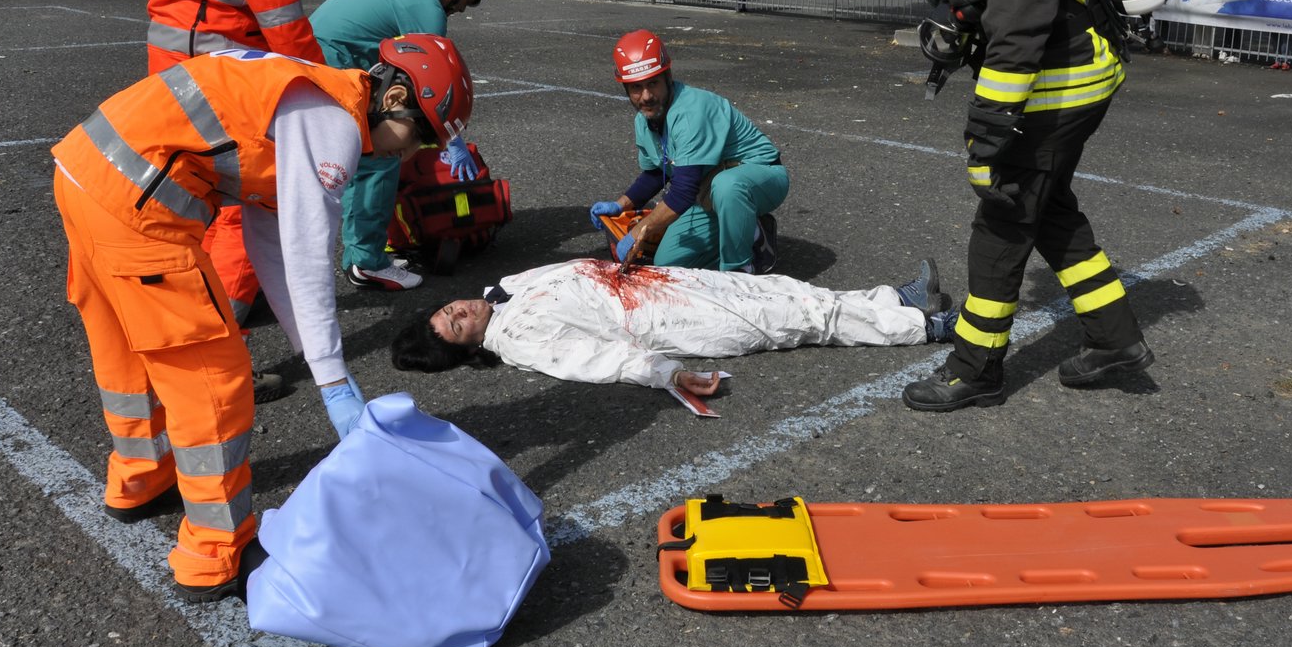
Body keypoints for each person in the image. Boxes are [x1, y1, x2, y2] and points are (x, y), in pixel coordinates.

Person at [52, 35, 476, 603]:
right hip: (137, 210)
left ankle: (140, 475)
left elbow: (270, 239)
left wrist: (318, 359)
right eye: (416, 134)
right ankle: (215, 554)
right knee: (213, 382)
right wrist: (331, 380)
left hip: (86, 174)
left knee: (129, 353)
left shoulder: (310, 94)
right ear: (394, 94)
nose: (406, 155)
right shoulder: (333, 127)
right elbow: (305, 253)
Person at [886, 0, 1152, 412]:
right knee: (1050, 210)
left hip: (1058, 89)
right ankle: (1116, 340)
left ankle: (975, 370)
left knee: (1002, 222)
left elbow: (1014, 43)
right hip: (1078, 77)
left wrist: (987, 141)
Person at [140, 0, 347, 368]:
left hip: (167, 76)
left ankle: (189, 318)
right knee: (256, 200)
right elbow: (291, 40)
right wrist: (340, 96)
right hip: (219, 87)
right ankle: (215, 343)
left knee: (193, 206)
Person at [389, 259, 958, 400]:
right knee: (795, 320)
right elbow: (593, 358)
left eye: (449, 310)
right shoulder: (518, 338)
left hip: (663, 282)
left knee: (785, 290)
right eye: (456, 326)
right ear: (467, 349)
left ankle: (893, 300)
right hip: (670, 319)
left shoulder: (504, 288)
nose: (460, 311)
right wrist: (668, 374)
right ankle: (926, 327)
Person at [310, 0, 492, 291]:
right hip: (332, 57)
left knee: (361, 154)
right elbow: (435, 86)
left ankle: (361, 255)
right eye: (469, 0)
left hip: (319, 52)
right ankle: (367, 261)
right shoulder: (428, 8)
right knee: (381, 155)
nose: (463, 8)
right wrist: (451, 139)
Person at [589, 30, 788, 274]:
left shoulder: (690, 111)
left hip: (759, 176)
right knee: (668, 264)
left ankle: (738, 272)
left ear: (668, 77)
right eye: (636, 88)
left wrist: (641, 230)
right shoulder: (644, 120)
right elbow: (655, 173)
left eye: (653, 83)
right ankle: (751, 232)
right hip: (707, 194)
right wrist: (619, 205)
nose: (647, 96)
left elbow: (683, 191)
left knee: (728, 186)